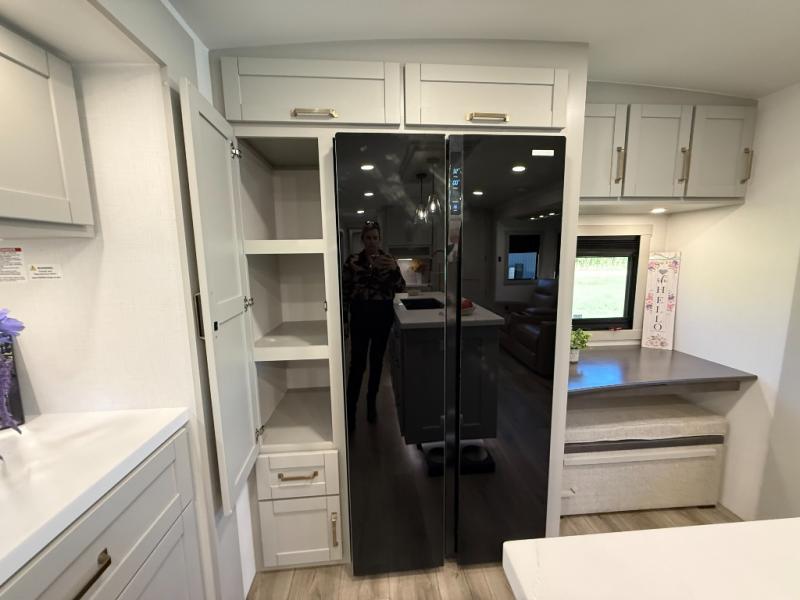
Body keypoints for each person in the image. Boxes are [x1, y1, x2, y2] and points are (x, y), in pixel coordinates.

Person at [342, 221, 405, 430]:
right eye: (368, 238)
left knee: (377, 363)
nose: (372, 242)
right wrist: (343, 320)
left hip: (381, 318)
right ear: (363, 239)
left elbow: (401, 288)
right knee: (357, 365)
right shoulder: (352, 261)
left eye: (375, 238)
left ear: (380, 239)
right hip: (359, 317)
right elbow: (343, 291)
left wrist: (395, 270)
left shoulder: (389, 261)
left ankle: (371, 405)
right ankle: (350, 412)